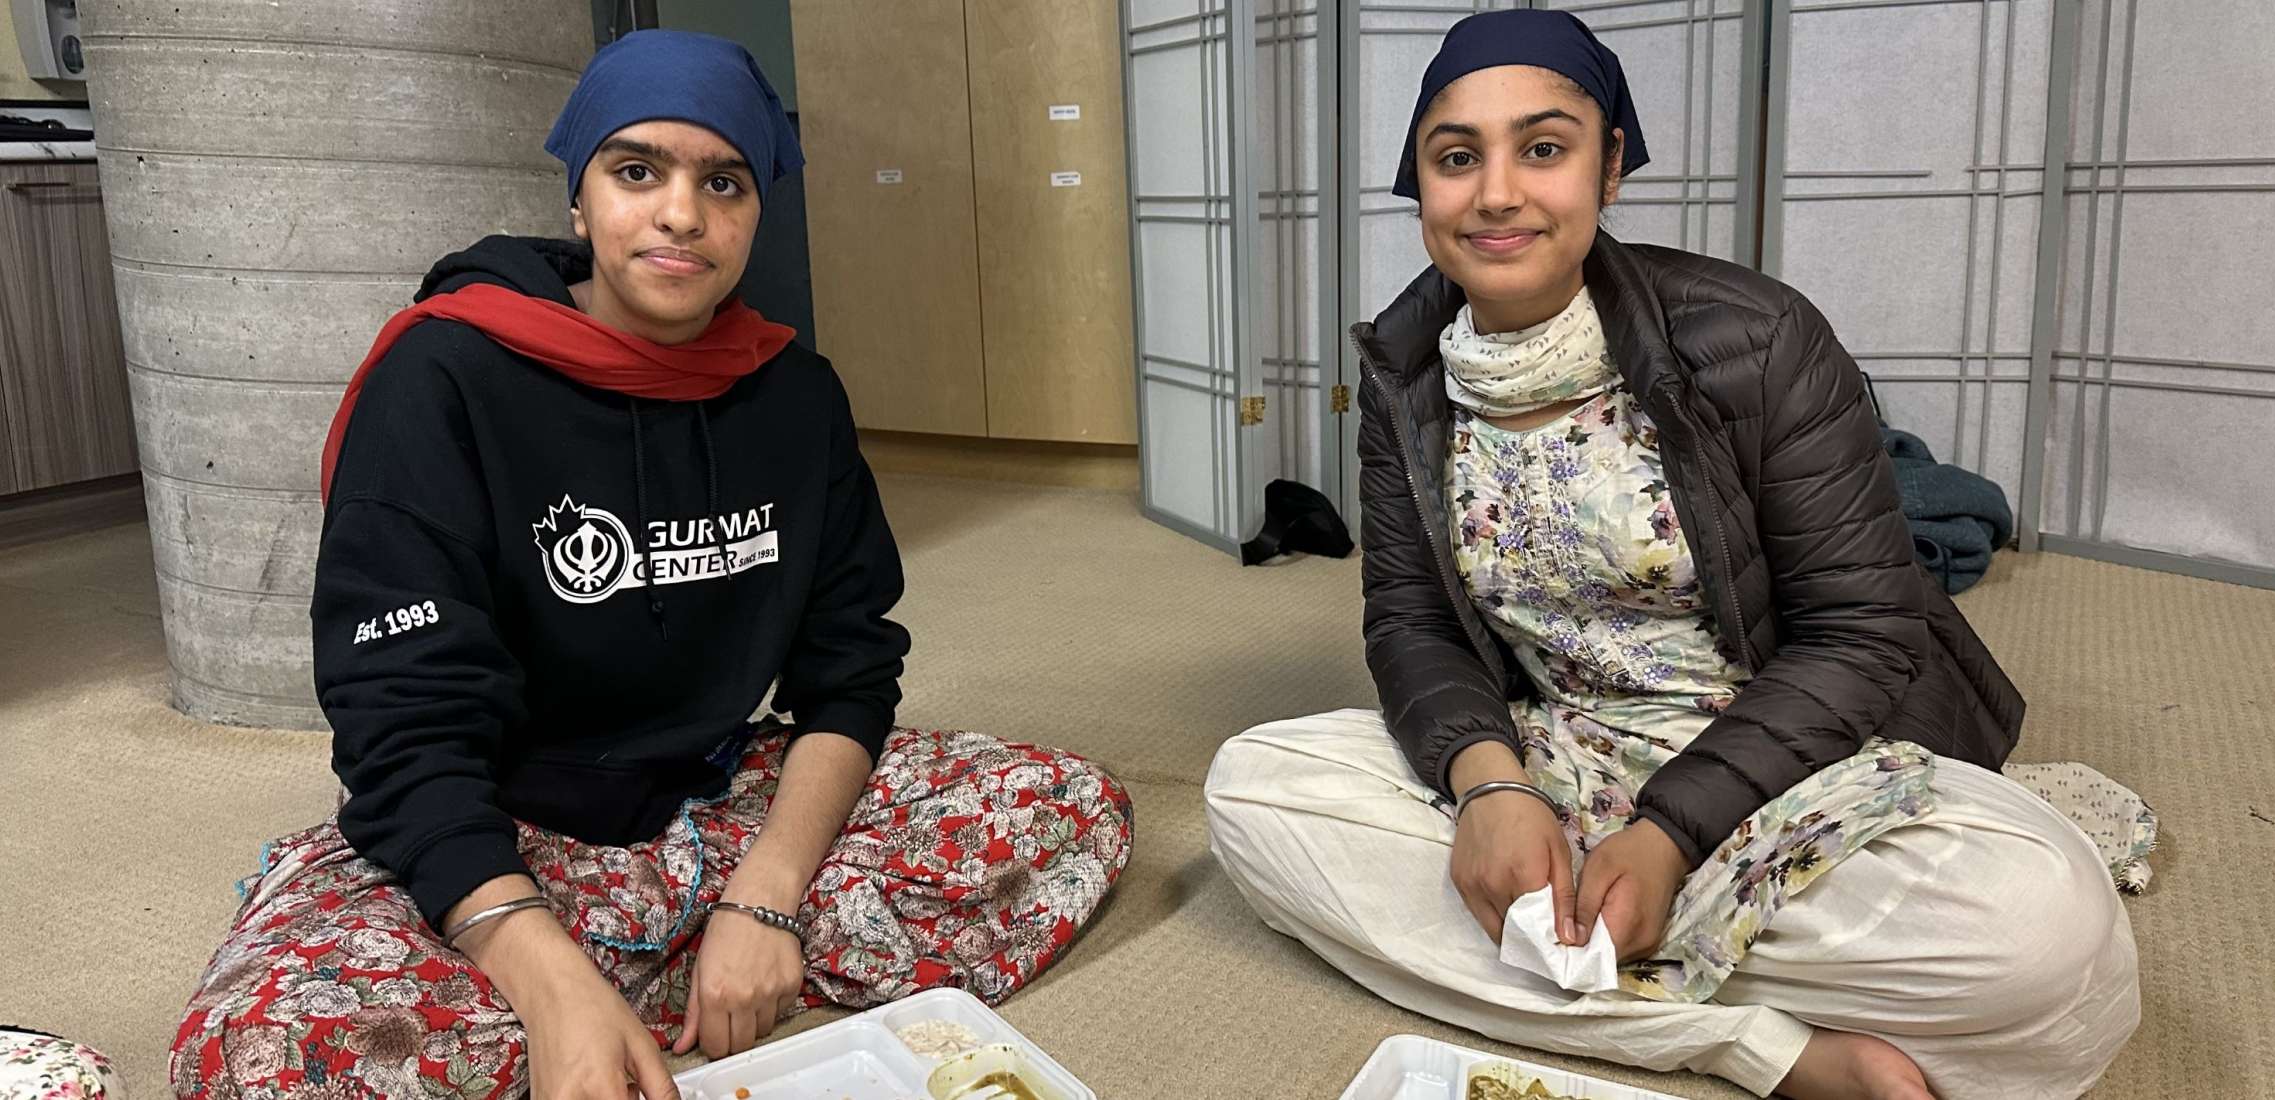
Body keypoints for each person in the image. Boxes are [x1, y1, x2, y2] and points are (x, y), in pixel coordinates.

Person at [170, 31, 1131, 1100]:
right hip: (509, 831)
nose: (682, 214)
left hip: (715, 805)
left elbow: (850, 672)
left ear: (755, 210)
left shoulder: (796, 396)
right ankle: (619, 986)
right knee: (260, 1052)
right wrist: (544, 977)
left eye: (723, 182)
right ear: (580, 202)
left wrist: (765, 894)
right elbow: (403, 725)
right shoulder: (443, 376)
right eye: (638, 172)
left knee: (1069, 806)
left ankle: (681, 969)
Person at [1203, 11, 2137, 1100]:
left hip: (1782, 749)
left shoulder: (1760, 337)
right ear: (1422, 186)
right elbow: (1410, 619)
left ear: (1609, 167)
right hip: (1555, 747)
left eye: (1542, 148)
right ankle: (1758, 1046)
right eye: (1457, 158)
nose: (1496, 192)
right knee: (1252, 793)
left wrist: (1669, 836)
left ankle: (1582, 948)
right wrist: (1489, 785)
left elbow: (1863, 631)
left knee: (2044, 928)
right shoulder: (1405, 372)